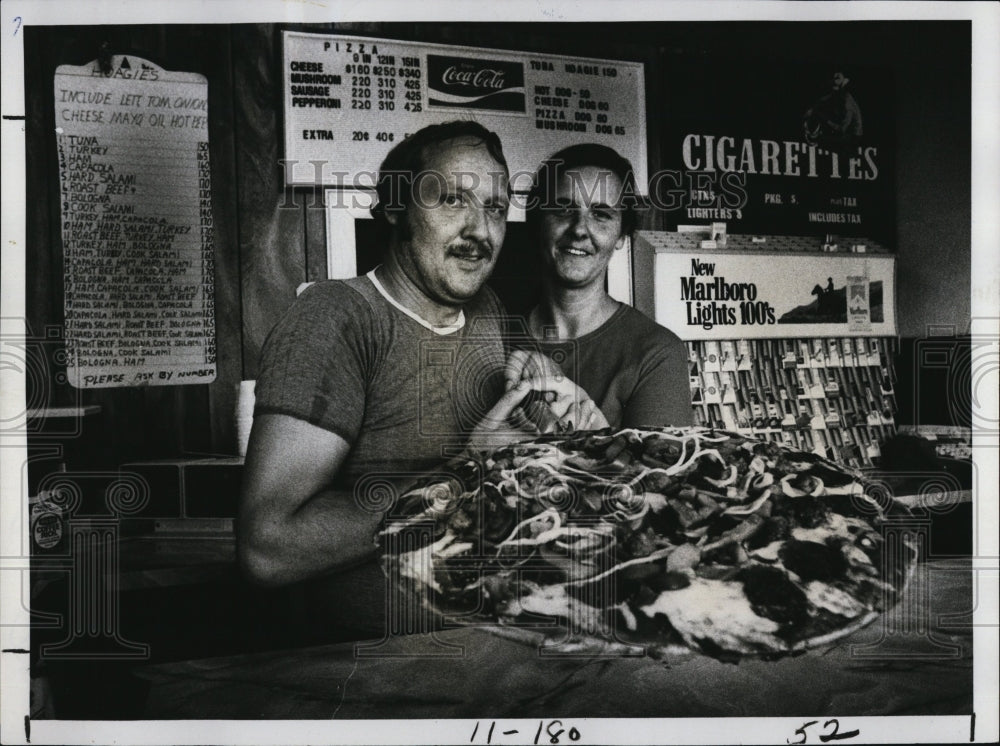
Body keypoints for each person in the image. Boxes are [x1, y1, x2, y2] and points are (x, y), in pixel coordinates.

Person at [238, 121, 587, 634]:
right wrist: (467, 472)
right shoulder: (334, 319)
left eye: (495, 207)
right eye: (452, 200)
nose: (480, 230)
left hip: (507, 648)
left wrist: (575, 434)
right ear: (396, 207)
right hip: (383, 666)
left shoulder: (488, 312)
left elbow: (535, 467)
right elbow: (268, 548)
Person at [508, 144, 692, 429]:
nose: (579, 229)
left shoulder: (657, 353)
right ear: (538, 223)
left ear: (621, 236)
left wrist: (592, 427)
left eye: (601, 214)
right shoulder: (492, 336)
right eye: (563, 209)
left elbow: (666, 459)